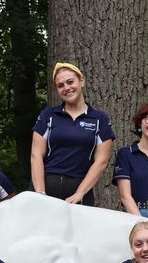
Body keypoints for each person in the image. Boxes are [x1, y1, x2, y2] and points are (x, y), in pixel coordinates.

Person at [30, 62, 115, 206]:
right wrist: (40, 193)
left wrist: (80, 193)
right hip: (46, 184)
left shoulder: (100, 119)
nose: (66, 88)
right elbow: (36, 155)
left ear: (81, 81)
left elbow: (101, 161)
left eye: (70, 82)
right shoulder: (48, 116)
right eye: (60, 85)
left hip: (79, 188)